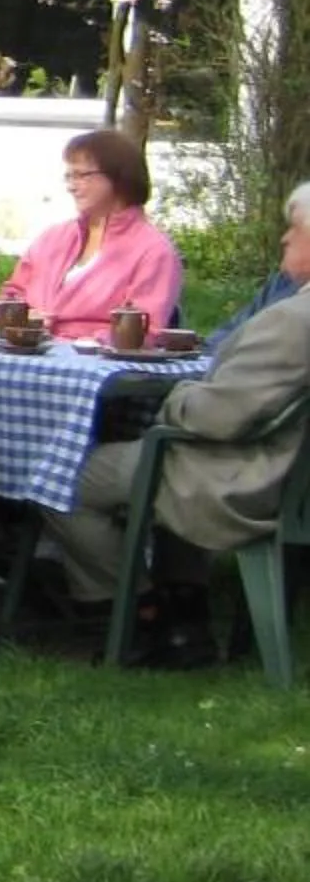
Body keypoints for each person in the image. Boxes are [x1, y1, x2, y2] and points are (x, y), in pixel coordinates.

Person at [43, 185, 310, 665]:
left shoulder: (293, 321)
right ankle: (184, 610)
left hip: (247, 475)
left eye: (294, 230)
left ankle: (136, 613)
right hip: (286, 470)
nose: (284, 241)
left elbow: (221, 416)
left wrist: (177, 397)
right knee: (151, 455)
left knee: (61, 480)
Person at [0, 127, 184, 343]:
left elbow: (144, 332)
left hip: (98, 366)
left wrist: (85, 343)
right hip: (31, 353)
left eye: (80, 175)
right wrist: (19, 317)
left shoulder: (154, 251)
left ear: (118, 177)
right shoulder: (52, 238)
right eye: (68, 176)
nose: (71, 186)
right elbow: (12, 294)